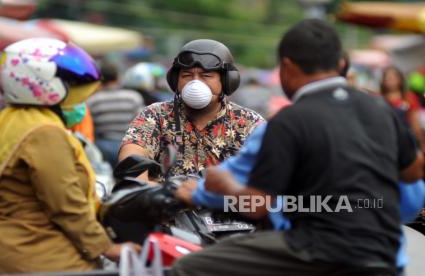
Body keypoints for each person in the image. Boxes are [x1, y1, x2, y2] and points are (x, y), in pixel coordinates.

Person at [171, 19, 424, 276]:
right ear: (340, 64)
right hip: (385, 253)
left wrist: (221, 186)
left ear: (286, 67)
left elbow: (257, 205)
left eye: (206, 74)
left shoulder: (286, 123)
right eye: (188, 74)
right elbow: (413, 178)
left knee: (187, 266)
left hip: (315, 250)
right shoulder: (381, 110)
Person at [0, 38, 139, 273]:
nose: (77, 98)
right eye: (70, 86)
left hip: (6, 247)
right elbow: (66, 204)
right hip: (44, 255)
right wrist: (106, 247)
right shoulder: (44, 133)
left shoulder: (5, 123)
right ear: (44, 84)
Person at [119, 39, 264, 180]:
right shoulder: (155, 115)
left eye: (206, 75)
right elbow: (132, 155)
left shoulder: (250, 124)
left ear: (227, 81)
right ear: (176, 80)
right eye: (187, 75)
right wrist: (141, 186)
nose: (195, 83)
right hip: (163, 201)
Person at [87, 61, 144, 168]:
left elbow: (90, 128)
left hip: (103, 149)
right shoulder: (133, 98)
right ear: (118, 77)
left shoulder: (92, 101)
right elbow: (141, 125)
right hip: (129, 146)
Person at [380, 66, 425, 152]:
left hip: (406, 139)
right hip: (387, 140)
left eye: (393, 77)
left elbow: (415, 122)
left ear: (400, 79)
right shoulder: (378, 98)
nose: (390, 80)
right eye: (387, 77)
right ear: (383, 81)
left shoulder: (409, 97)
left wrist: (422, 143)